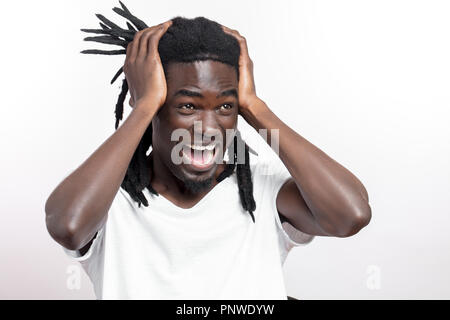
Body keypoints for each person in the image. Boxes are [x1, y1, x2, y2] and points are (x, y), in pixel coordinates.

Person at [45, 2, 371, 299]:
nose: (209, 128)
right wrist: (142, 107)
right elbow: (68, 226)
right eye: (188, 105)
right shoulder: (112, 200)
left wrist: (257, 109)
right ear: (155, 102)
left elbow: (351, 215)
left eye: (226, 106)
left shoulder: (262, 190)